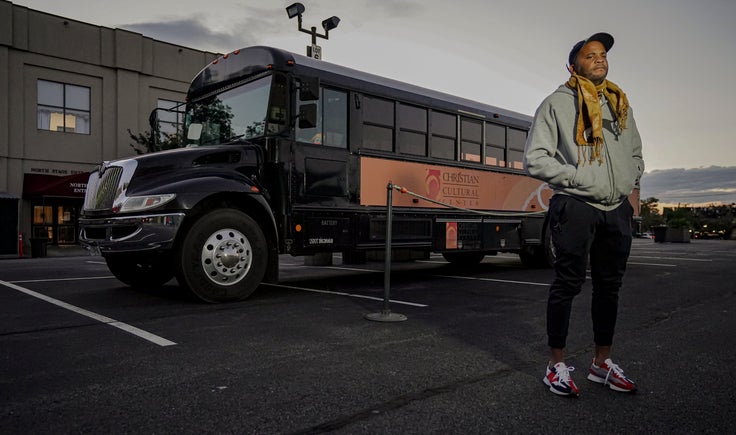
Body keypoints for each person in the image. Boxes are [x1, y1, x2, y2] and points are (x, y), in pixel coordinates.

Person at [523, 32, 644, 397]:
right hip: (576, 204)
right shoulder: (556, 104)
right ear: (573, 66)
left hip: (615, 207)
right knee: (568, 284)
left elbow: (636, 152)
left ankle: (600, 363)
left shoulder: (620, 105)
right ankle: (555, 365)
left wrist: (630, 177)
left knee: (610, 287)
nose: (599, 59)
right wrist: (578, 177)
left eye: (603, 54)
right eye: (590, 55)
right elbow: (535, 158)